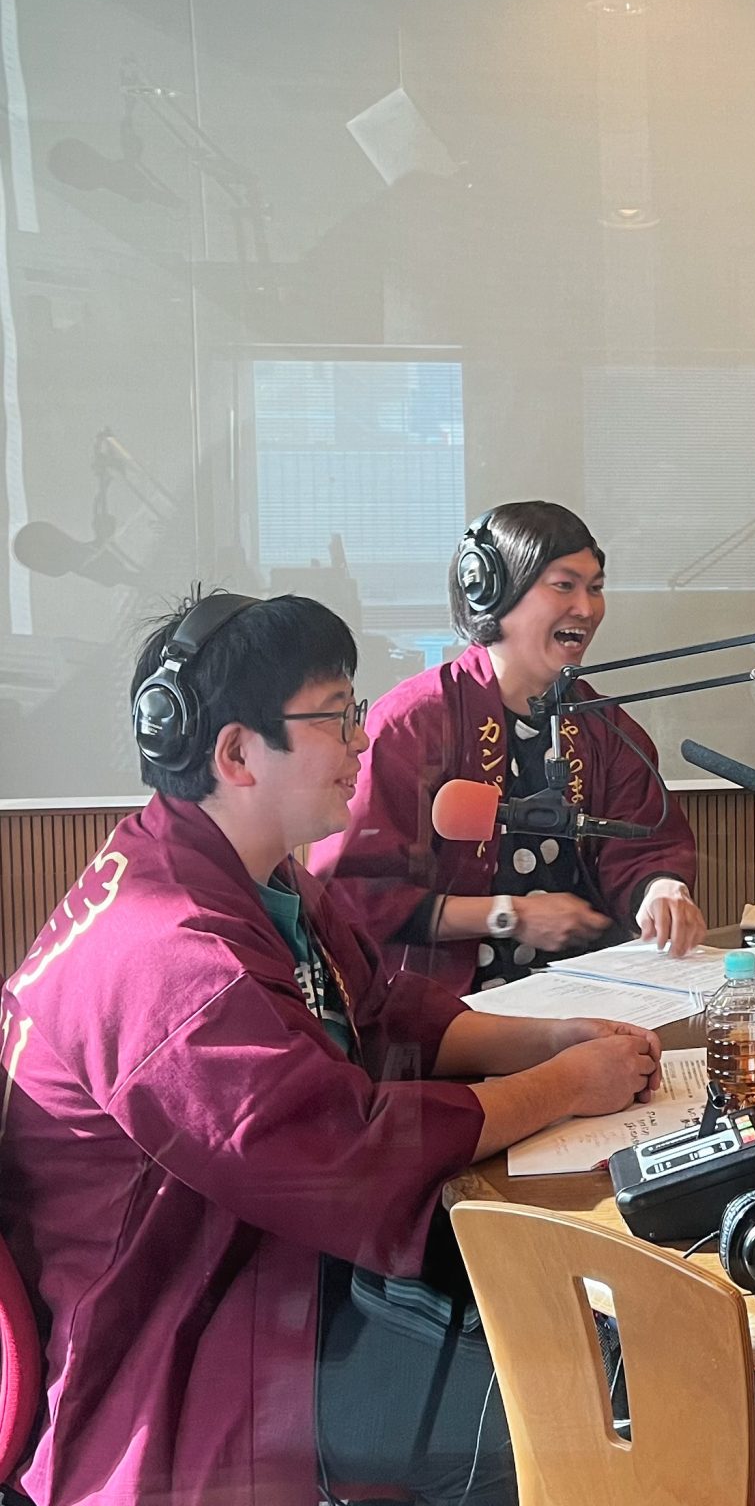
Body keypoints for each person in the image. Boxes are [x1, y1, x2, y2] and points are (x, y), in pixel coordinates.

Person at [0, 590, 662, 1505]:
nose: (361, 741)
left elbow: (379, 1009)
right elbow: (345, 1157)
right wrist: (562, 1086)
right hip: (189, 1342)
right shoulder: (171, 957)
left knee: (577, 1325)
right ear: (237, 753)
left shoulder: (235, 871)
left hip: (271, 1265)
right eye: (335, 716)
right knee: (584, 1402)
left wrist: (551, 1040)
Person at [309, 500, 705, 999]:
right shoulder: (415, 721)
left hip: (590, 995)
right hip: (443, 1009)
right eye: (564, 585)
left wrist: (660, 888)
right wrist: (508, 915)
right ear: (492, 590)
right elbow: (351, 892)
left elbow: (645, 843)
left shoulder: (604, 726)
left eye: (595, 588)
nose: (586, 609)